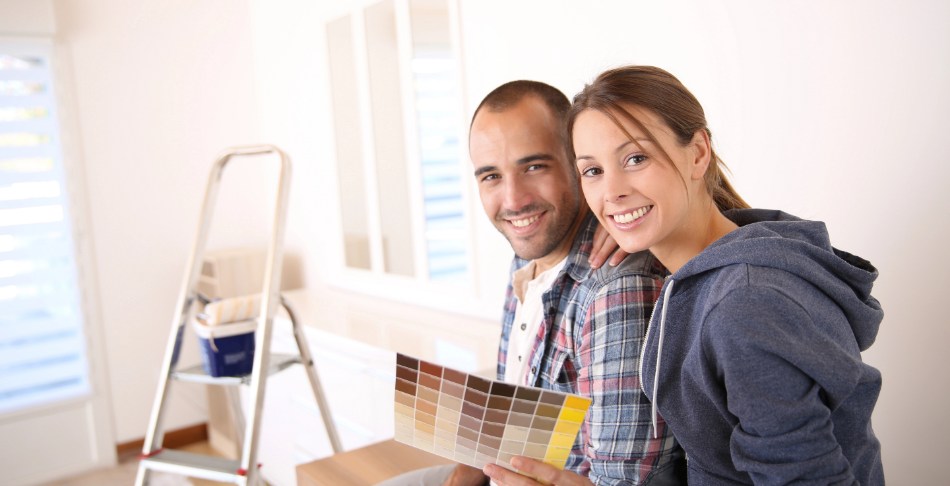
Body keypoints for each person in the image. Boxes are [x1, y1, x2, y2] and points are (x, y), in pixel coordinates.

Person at [486, 66, 885, 485]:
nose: (611, 192)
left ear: (697, 153)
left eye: (635, 159)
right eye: (593, 171)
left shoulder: (744, 307)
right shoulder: (708, 272)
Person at [381, 80, 685, 486]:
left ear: (576, 164)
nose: (513, 199)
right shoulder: (526, 258)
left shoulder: (617, 288)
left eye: (534, 167)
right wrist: (466, 471)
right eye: (490, 176)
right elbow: (514, 416)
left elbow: (621, 482)